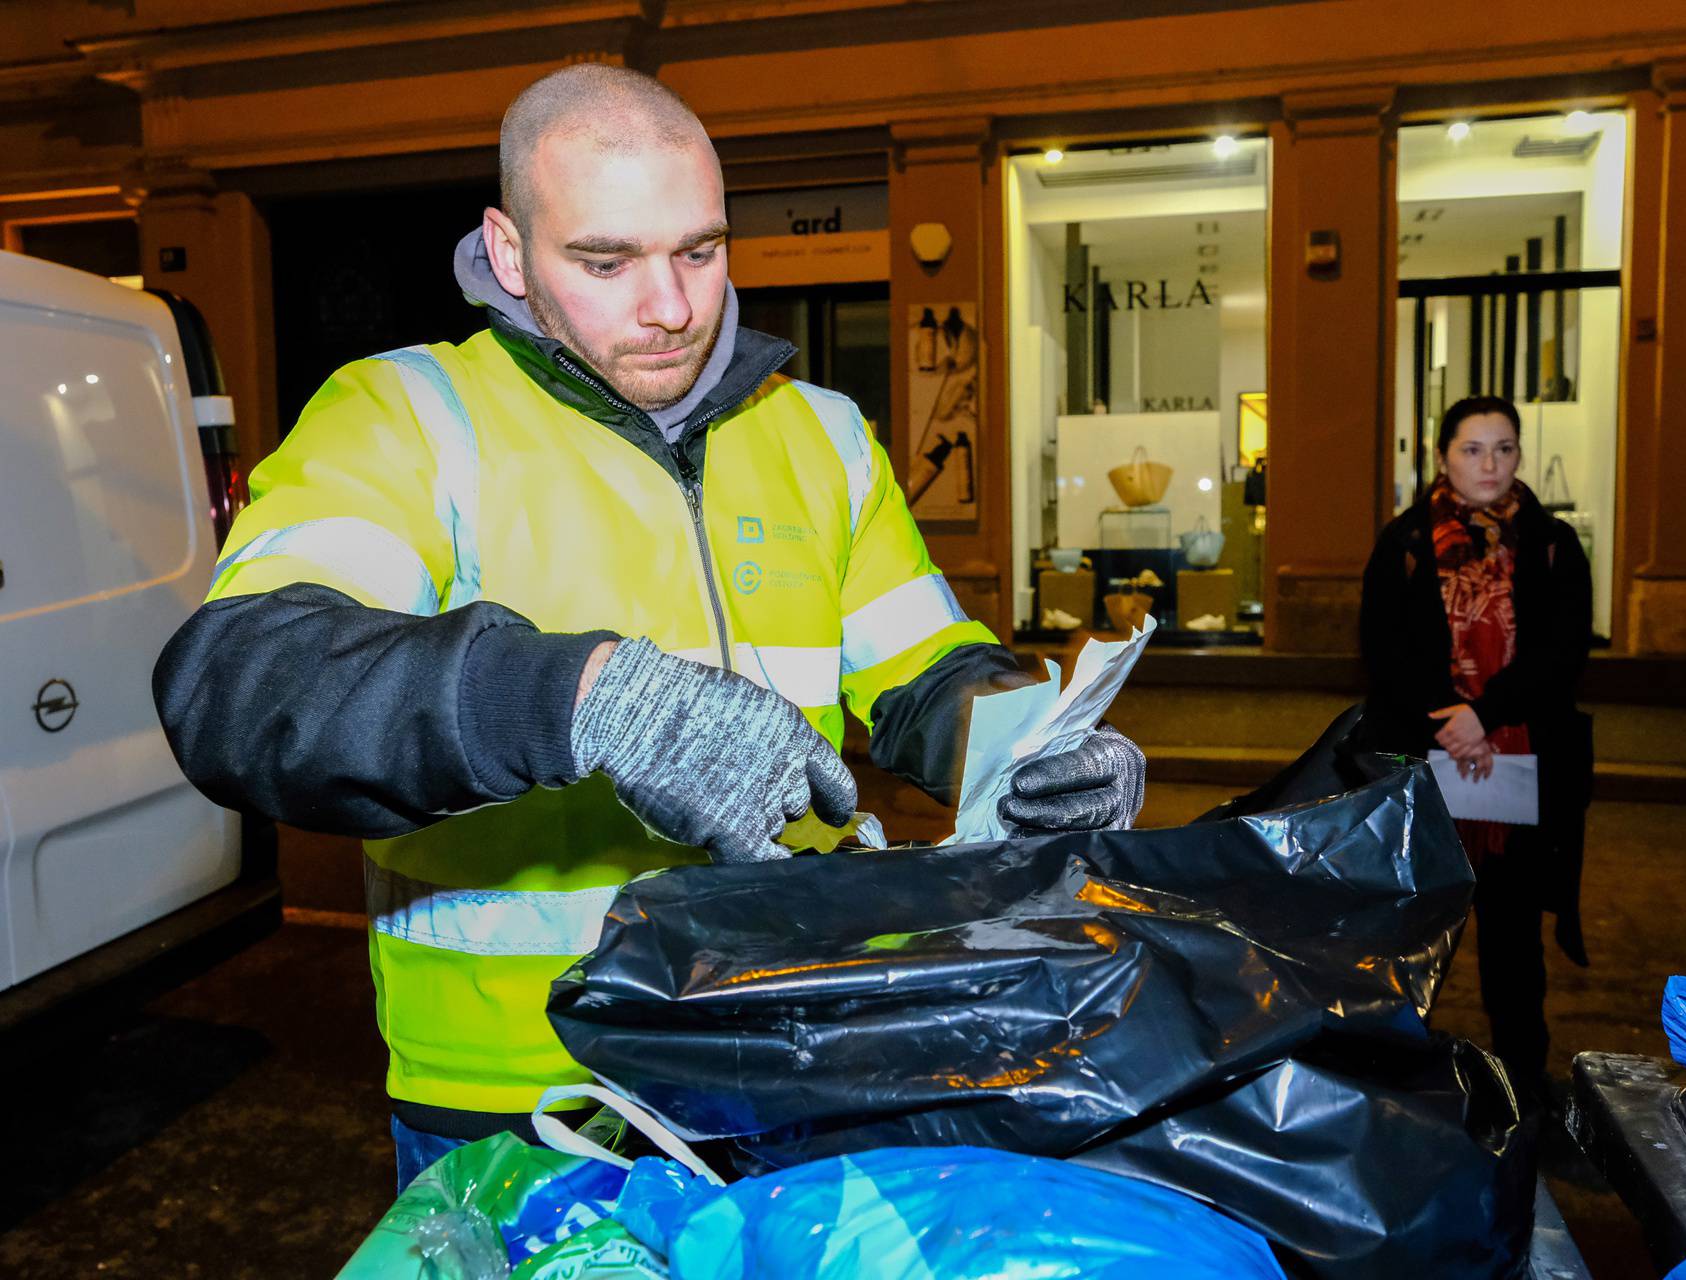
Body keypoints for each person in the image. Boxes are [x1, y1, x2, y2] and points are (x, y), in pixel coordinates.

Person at [152, 65, 1146, 1186]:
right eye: (606, 260)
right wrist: (583, 701)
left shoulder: (821, 433)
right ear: (511, 249)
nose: (671, 304)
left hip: (799, 1048)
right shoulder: (403, 418)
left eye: (700, 249)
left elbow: (925, 667)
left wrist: (1032, 750)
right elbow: (243, 678)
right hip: (525, 1094)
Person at [1358, 394, 1594, 1096]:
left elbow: (1563, 653)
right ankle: (1394, 1081)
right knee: (1412, 932)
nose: (1489, 464)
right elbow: (1385, 653)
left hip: (1516, 765)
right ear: (1441, 457)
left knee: (1513, 938)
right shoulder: (1403, 545)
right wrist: (1450, 720)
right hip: (1424, 763)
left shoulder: (1552, 544)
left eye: (1504, 448)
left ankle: (1523, 1082)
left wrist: (1483, 715)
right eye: (1472, 449)